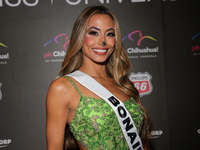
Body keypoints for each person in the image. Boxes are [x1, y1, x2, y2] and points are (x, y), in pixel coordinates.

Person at [46, 6, 152, 150]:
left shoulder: (123, 84)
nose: (102, 41)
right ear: (80, 36)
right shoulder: (63, 87)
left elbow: (142, 141)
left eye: (110, 34)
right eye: (94, 32)